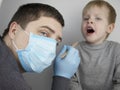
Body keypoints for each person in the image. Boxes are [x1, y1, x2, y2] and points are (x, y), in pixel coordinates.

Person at [0, 3, 80, 90]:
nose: (50, 48)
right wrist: (61, 77)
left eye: (56, 42)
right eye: (44, 33)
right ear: (14, 30)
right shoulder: (14, 84)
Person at [69, 0, 120, 90]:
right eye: (86, 18)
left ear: (109, 28)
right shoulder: (75, 49)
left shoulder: (117, 50)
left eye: (98, 18)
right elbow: (71, 80)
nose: (90, 21)